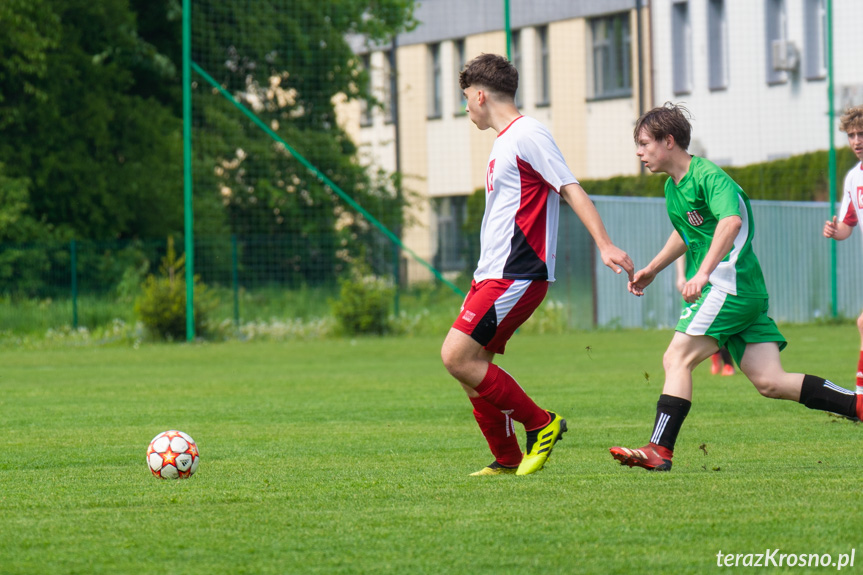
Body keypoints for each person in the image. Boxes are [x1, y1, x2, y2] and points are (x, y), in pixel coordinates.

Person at [609, 102, 862, 472]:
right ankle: (856, 406)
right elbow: (686, 232)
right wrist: (652, 268)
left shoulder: (710, 177)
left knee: (676, 358)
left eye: (645, 143)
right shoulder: (673, 187)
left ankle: (659, 449)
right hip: (742, 290)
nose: (639, 152)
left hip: (730, 285)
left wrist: (703, 273)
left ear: (669, 141)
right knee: (771, 381)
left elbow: (729, 222)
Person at [441, 53, 634, 476]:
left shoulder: (528, 134)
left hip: (517, 273)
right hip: (491, 274)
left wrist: (604, 244)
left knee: (456, 356)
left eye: (464, 101)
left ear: (479, 95)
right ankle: (507, 458)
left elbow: (570, 187)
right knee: (470, 368)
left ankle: (541, 423)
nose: (465, 109)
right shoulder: (506, 140)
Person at [823, 105, 863, 396]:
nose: (857, 141)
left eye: (861, 134)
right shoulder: (852, 178)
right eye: (851, 135)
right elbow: (848, 226)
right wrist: (836, 232)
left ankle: (861, 398)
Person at [674, 256, 735, 375]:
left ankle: (727, 363)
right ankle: (719, 358)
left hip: (717, 283)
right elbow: (680, 247)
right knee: (699, 329)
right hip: (693, 283)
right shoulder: (691, 238)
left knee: (719, 324)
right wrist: (680, 275)